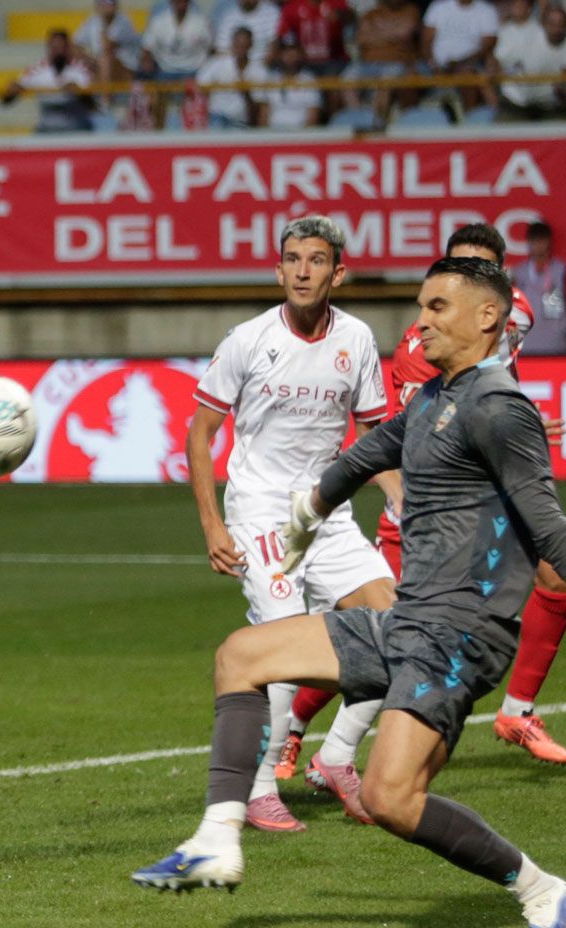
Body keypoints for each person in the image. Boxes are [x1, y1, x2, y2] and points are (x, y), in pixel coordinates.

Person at [135, 256, 566, 928]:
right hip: (408, 619)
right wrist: (305, 515)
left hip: (463, 636)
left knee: (390, 799)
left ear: (488, 318)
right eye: (421, 305)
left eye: (439, 306)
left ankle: (540, 887)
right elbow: (357, 459)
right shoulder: (431, 401)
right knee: (241, 654)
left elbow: (550, 526)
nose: (422, 321)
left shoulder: (501, 408)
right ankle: (216, 836)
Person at [284, 224, 566, 772]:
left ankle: (517, 711)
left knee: (557, 577)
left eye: (478, 267)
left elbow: (492, 380)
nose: (463, 277)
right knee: (386, 632)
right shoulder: (421, 346)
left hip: (483, 501)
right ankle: (298, 729)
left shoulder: (514, 314)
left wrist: (521, 417)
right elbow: (406, 433)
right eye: (456, 266)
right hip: (427, 508)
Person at [187, 216, 397, 832]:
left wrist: (400, 497)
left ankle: (336, 758)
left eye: (316, 260)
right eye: (293, 260)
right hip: (258, 510)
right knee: (280, 644)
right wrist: (212, 527)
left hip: (325, 510)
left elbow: (372, 434)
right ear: (278, 271)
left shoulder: (356, 339)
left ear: (338, 271)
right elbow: (200, 435)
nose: (303, 270)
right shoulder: (249, 340)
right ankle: (255, 791)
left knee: (399, 630)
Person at [494, 0, 566, 122]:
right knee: (503, 134)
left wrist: (565, 91)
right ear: (544, 24)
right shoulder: (528, 38)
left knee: (561, 133)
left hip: (552, 107)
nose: (557, 29)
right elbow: (503, 66)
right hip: (518, 104)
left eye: (561, 24)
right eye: (552, 24)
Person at [2, 29, 96, 132]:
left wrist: (79, 93)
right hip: (46, 129)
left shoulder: (81, 70)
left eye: (62, 47)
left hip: (76, 127)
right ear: (48, 48)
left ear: (68, 48)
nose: (58, 52)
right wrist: (12, 91)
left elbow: (93, 106)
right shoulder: (36, 70)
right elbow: (6, 101)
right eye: (55, 47)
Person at [420, 0, 499, 110]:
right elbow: (425, 42)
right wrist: (434, 67)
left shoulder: (486, 10)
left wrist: (460, 64)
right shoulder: (438, 7)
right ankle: (406, 121)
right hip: (434, 66)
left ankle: (470, 120)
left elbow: (488, 46)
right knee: (407, 75)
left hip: (470, 64)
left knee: (469, 75)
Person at [512, 220, 566, 356]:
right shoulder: (520, 273)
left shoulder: (560, 270)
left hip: (555, 342)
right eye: (534, 241)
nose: (538, 246)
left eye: (542, 241)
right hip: (526, 341)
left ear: (549, 242)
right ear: (528, 243)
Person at [196, 26, 264, 126]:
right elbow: (200, 84)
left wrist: (246, 93)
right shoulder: (217, 63)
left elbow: (258, 104)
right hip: (217, 117)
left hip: (241, 122)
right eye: (238, 44)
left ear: (251, 45)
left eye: (244, 45)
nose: (241, 48)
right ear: (233, 44)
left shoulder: (258, 70)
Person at [254, 31, 320, 127]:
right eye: (285, 51)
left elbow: (313, 116)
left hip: (300, 136)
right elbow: (264, 114)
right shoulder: (272, 79)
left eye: (293, 50)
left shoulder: (309, 80)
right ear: (280, 54)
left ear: (300, 54)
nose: (289, 54)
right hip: (273, 136)